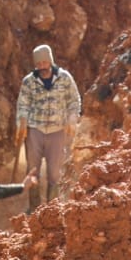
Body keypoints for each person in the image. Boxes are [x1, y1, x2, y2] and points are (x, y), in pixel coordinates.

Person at [14, 44, 80, 205]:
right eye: (38, 64)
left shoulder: (64, 78)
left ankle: (52, 208)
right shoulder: (29, 82)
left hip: (58, 130)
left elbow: (74, 100)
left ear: (50, 61)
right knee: (33, 170)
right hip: (35, 129)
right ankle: (34, 206)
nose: (42, 67)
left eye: (44, 62)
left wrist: (72, 117)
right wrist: (21, 122)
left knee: (55, 172)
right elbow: (23, 104)